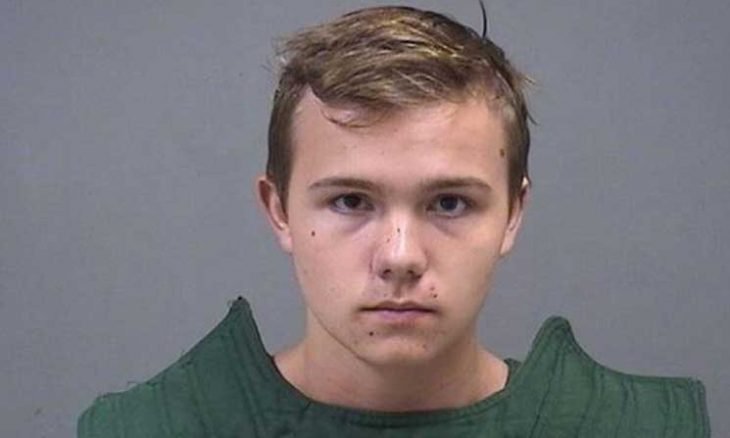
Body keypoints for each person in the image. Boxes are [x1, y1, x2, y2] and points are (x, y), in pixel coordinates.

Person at [78, 5, 709, 437]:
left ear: (513, 214)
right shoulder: (153, 427)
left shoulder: (636, 427)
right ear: (279, 210)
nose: (400, 256)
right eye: (351, 202)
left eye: (449, 203)